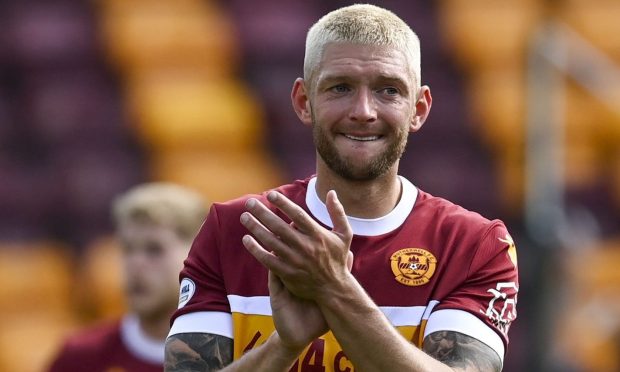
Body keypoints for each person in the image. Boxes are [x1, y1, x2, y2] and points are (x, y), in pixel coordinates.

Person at [165, 4, 519, 372]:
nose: (364, 110)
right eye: (340, 87)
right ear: (304, 102)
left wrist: (334, 290)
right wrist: (284, 346)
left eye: (388, 90)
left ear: (419, 108)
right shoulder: (235, 231)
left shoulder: (475, 246)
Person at [48, 183, 208, 372]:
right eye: (127, 249)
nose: (135, 264)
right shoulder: (79, 357)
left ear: (199, 257)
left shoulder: (233, 356)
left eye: (154, 249)